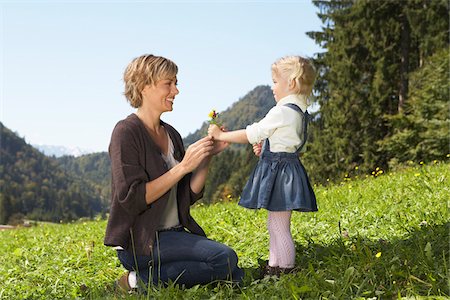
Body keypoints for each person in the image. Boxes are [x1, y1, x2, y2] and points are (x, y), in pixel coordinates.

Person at [104, 54, 244, 291]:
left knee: (231, 269)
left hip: (174, 234)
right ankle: (135, 281)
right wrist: (183, 166)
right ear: (144, 87)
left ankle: (146, 278)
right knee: (224, 259)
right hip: (142, 241)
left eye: (176, 83)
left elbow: (187, 195)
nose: (176, 91)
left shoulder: (172, 134)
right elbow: (133, 197)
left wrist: (206, 157)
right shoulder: (125, 132)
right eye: (168, 84)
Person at [208, 55, 318, 277]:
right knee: (275, 223)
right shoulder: (298, 112)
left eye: (276, 82)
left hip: (280, 173)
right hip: (285, 168)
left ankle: (285, 270)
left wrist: (222, 135)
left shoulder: (283, 110)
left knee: (279, 226)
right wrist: (265, 149)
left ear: (292, 83)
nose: (272, 87)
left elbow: (254, 132)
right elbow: (285, 143)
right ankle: (274, 266)